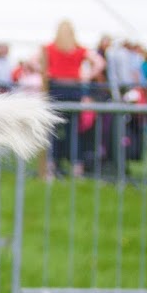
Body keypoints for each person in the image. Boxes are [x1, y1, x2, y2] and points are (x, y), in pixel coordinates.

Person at [42, 20, 104, 179]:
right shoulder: (79, 49)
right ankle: (77, 167)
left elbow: (33, 61)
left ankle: (51, 166)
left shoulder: (49, 48)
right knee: (73, 130)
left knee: (53, 130)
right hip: (73, 90)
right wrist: (86, 76)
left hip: (55, 89)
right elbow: (99, 62)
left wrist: (46, 73)